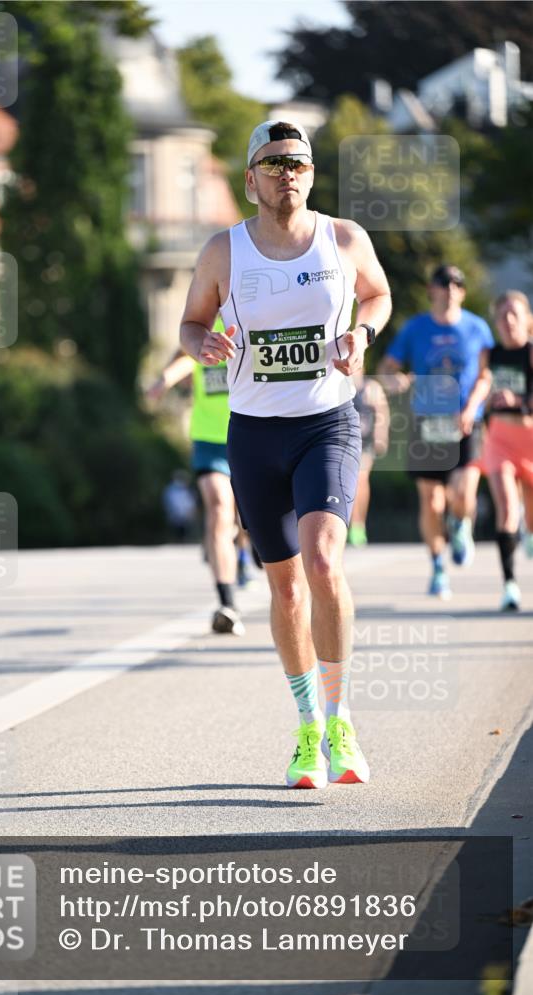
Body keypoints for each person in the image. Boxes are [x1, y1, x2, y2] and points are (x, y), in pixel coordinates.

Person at [180, 119, 391, 788]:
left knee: (323, 560)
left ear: (311, 174)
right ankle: (306, 727)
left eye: (297, 162)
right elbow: (189, 322)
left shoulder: (344, 239)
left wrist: (362, 333)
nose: (286, 173)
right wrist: (200, 344)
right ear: (251, 180)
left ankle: (339, 718)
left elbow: (378, 294)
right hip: (253, 434)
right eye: (273, 164)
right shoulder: (224, 251)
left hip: (326, 423)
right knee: (284, 586)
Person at [378, 264, 493, 599]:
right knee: (431, 501)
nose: (451, 290)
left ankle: (461, 525)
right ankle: (438, 566)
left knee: (463, 495)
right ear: (432, 289)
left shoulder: (477, 328)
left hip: (465, 422)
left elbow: (486, 376)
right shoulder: (415, 328)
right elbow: (387, 368)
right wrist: (395, 380)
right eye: (444, 283)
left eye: (458, 284)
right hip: (427, 422)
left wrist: (471, 408)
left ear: (463, 292)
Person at [147, 325, 249, 636]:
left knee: (247, 518)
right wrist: (165, 379)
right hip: (209, 441)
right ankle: (227, 604)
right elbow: (186, 358)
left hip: (251, 434)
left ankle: (248, 549)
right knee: (219, 508)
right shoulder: (202, 322)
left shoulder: (251, 313)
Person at [481, 290, 533, 611]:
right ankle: (510, 585)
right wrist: (475, 406)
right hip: (500, 438)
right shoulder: (490, 354)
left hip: (530, 438)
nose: (509, 321)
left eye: (515, 314)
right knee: (508, 508)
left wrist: (519, 401)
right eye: (502, 316)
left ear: (526, 319)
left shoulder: (531, 352)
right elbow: (482, 384)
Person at [348, 370, 390, 546]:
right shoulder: (337, 385)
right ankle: (347, 523)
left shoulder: (371, 387)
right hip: (343, 440)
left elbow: (382, 412)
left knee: (361, 480)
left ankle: (358, 525)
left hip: (365, 441)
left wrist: (381, 436)